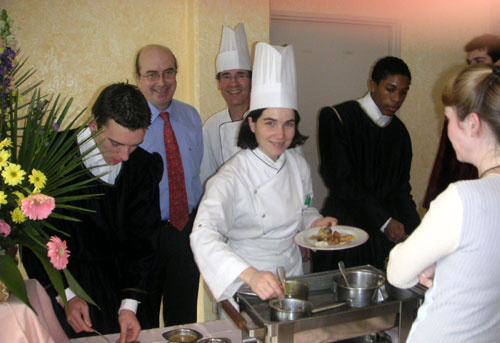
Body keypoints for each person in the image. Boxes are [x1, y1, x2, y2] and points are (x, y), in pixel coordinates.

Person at [190, 43, 336, 302]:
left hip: (292, 276)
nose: (281, 135)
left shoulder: (298, 165)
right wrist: (250, 275)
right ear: (252, 123)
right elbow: (203, 235)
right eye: (270, 123)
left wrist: (315, 223)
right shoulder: (230, 177)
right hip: (248, 284)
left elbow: (304, 209)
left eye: (288, 124)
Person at [22, 83, 163, 342]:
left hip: (124, 284)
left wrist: (129, 305)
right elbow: (34, 237)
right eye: (116, 144)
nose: (125, 156)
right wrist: (65, 295)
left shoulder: (143, 168)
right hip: (63, 282)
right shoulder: (51, 155)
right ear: (93, 124)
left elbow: (143, 243)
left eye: (134, 146)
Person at [387, 64, 500, 342]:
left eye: (448, 118)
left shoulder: (462, 199)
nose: (446, 129)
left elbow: (398, 273)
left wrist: (430, 262)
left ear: (472, 124)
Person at [312, 56, 420, 272]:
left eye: (403, 92)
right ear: (373, 85)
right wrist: (385, 221)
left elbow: (401, 188)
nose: (397, 98)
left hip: (382, 238)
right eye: (390, 89)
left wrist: (418, 232)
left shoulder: (399, 132)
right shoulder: (337, 118)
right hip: (344, 230)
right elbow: (341, 182)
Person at [135, 44, 203, 326]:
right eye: (152, 74)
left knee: (183, 318)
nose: (161, 82)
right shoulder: (128, 122)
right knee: (142, 318)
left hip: (185, 232)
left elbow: (195, 172)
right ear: (138, 78)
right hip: (143, 237)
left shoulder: (191, 116)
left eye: (168, 72)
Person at [422, 34, 500, 208]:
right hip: (463, 191)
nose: (471, 69)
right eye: (469, 63)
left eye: (479, 61)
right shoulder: (460, 103)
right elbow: (444, 159)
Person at [200, 23, 252, 184]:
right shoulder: (211, 126)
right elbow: (206, 177)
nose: (233, 83)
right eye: (226, 76)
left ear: (251, 80)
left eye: (241, 75)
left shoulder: (269, 120)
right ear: (219, 83)